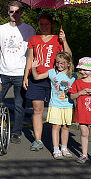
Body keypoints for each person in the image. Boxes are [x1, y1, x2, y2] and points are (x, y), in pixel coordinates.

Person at [24, 13, 71, 151]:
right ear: (38, 25)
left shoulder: (58, 39)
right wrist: (26, 76)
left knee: (54, 109)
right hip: (37, 78)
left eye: (46, 24)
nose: (44, 27)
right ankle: (38, 140)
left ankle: (54, 141)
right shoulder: (34, 39)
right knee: (37, 110)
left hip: (54, 79)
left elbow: (69, 57)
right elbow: (30, 59)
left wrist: (65, 40)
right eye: (41, 24)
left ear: (52, 25)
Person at [0, 0, 35, 144]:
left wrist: (28, 72)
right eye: (11, 11)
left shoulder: (29, 29)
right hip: (3, 72)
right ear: (8, 13)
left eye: (17, 11)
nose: (14, 14)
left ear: (21, 12)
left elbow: (31, 52)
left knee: (19, 105)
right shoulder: (1, 29)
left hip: (20, 73)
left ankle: (16, 132)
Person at [30, 51, 75, 159]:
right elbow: (36, 77)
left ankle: (64, 148)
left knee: (65, 127)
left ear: (68, 63)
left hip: (68, 106)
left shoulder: (74, 76)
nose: (59, 65)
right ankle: (56, 149)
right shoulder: (52, 72)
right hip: (55, 105)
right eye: (57, 63)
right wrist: (34, 68)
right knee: (55, 127)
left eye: (62, 63)